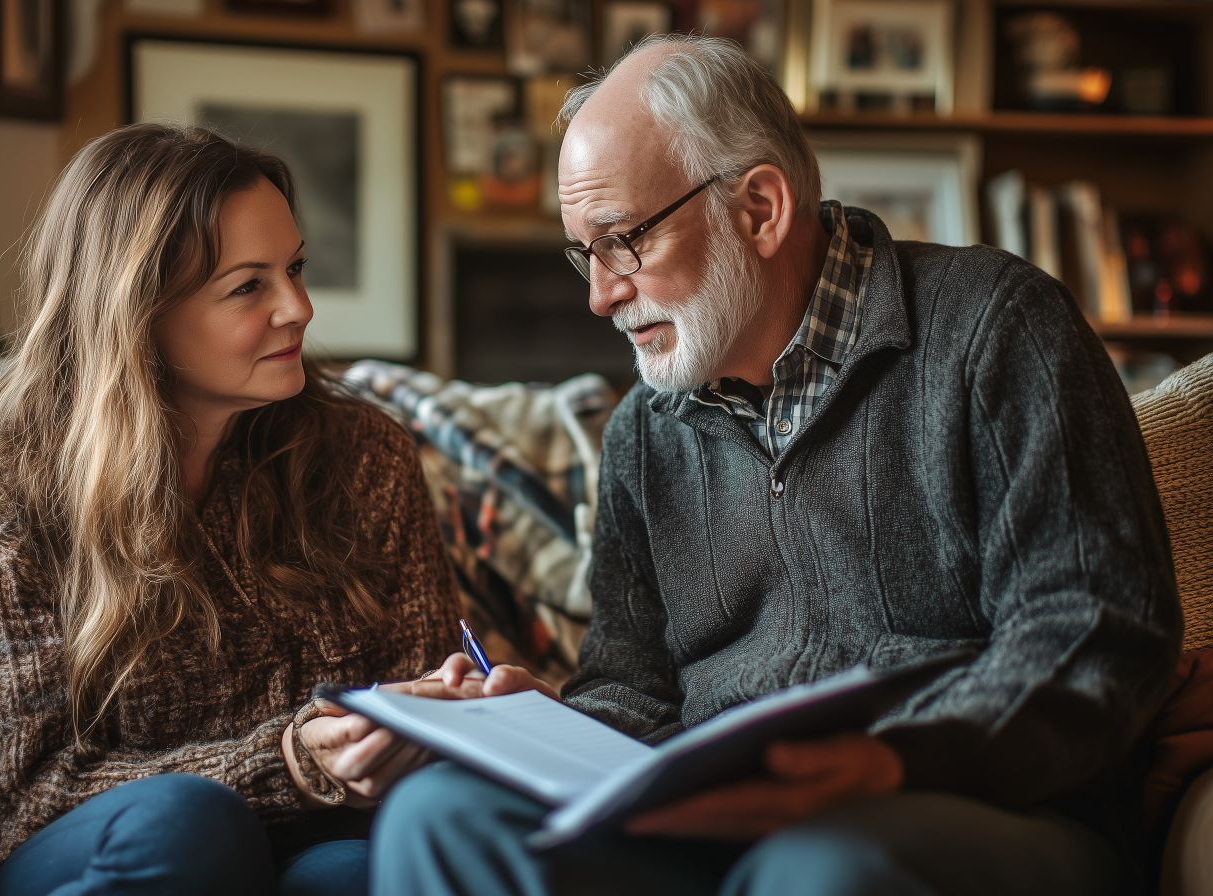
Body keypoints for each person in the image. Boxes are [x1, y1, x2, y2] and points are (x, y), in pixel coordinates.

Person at [370, 34, 1182, 896]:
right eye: (584, 254)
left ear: (759, 208)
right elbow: (633, 690)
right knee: (443, 815)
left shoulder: (996, 327)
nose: (600, 294)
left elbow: (1095, 631)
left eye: (622, 242)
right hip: (718, 821)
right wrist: (548, 725)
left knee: (818, 867)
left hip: (981, 807)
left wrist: (889, 763)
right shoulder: (646, 431)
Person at [0, 123, 476, 896]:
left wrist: (443, 712)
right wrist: (288, 764)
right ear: (137, 314)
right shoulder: (8, 495)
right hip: (110, 849)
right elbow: (21, 803)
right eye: (248, 286)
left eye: (295, 269)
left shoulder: (368, 458)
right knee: (191, 822)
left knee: (360, 871)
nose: (298, 307)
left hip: (317, 844)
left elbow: (419, 712)